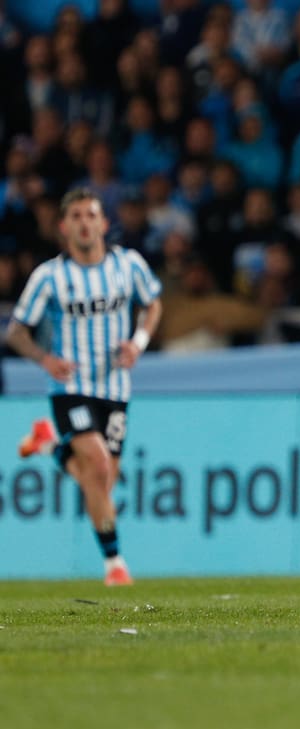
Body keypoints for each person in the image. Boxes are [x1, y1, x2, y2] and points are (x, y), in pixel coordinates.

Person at [6, 187, 163, 586]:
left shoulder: (128, 265)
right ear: (63, 227)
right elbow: (17, 331)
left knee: (104, 478)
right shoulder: (50, 276)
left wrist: (138, 343)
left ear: (104, 223)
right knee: (95, 463)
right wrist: (46, 360)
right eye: (75, 216)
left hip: (116, 387)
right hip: (70, 386)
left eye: (90, 215)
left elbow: (153, 304)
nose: (84, 222)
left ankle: (47, 446)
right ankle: (115, 564)